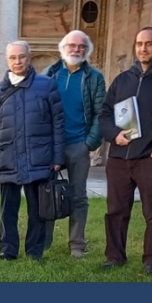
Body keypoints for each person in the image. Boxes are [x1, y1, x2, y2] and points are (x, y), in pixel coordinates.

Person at [99, 26, 152, 274]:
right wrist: (114, 135)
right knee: (116, 211)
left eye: (149, 44)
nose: (143, 48)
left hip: (148, 159)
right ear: (135, 47)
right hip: (119, 158)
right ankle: (114, 256)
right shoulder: (122, 80)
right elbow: (105, 114)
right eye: (140, 43)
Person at [0, 41, 65, 261]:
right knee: (7, 208)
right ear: (7, 60)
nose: (17, 62)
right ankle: (7, 249)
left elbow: (58, 123)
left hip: (39, 157)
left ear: (29, 59)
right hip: (8, 156)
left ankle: (34, 250)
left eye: (21, 57)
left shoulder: (47, 85)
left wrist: (58, 158)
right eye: (12, 58)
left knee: (37, 209)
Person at [42, 29, 106, 258]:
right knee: (47, 193)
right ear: (63, 48)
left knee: (78, 196)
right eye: (72, 45)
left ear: (87, 50)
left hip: (78, 145)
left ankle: (77, 245)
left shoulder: (95, 77)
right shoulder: (48, 74)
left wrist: (89, 143)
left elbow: (101, 113)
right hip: (51, 146)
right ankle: (44, 241)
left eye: (81, 46)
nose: (76, 49)